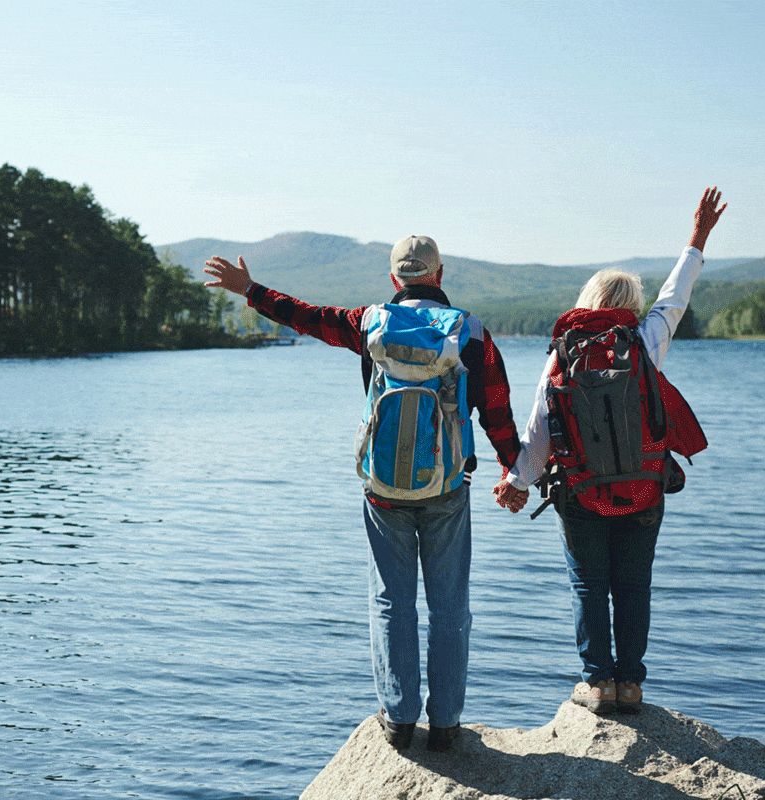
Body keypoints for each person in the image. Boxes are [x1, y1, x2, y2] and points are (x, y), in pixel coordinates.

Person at [204, 236, 521, 752]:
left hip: (383, 491)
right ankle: (444, 725)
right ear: (439, 274)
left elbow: (306, 317)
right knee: (449, 607)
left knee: (391, 602)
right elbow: (499, 412)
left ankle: (397, 719)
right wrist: (515, 473)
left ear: (396, 279)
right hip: (448, 490)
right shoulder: (472, 333)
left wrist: (251, 290)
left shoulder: (369, 322)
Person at [493, 187, 726, 714]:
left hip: (580, 492)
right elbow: (677, 295)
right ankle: (632, 685)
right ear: (631, 309)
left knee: (588, 585)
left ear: (587, 301)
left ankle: (597, 683)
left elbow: (538, 430)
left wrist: (516, 483)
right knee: (634, 586)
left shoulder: (563, 355)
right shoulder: (643, 343)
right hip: (643, 490)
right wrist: (698, 237)